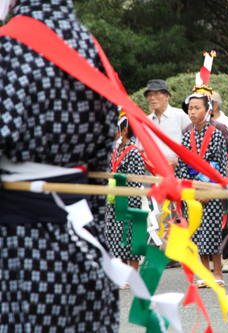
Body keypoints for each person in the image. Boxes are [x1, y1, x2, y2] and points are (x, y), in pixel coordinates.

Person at [0, 0, 119, 331]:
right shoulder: (90, 45)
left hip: (19, 246)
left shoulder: (10, 45)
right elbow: (98, 159)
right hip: (84, 240)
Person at [175, 84, 227, 288]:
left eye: (197, 108)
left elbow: (220, 166)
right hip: (193, 192)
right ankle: (205, 273)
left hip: (210, 191)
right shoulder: (187, 135)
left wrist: (210, 190)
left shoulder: (216, 134)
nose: (192, 112)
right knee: (198, 233)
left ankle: (218, 272)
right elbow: (182, 166)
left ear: (208, 110)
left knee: (212, 231)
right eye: (190, 108)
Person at [105, 113, 145, 286]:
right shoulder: (113, 151)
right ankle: (122, 276)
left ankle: (133, 276)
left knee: (129, 239)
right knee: (115, 239)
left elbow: (136, 181)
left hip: (130, 201)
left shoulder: (134, 153)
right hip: (113, 200)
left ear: (124, 130)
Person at [139, 79, 190, 170]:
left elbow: (192, 147)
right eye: (150, 95)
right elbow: (141, 150)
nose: (152, 98)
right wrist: (148, 163)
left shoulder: (181, 116)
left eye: (157, 94)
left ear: (167, 96)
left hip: (178, 171)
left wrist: (176, 162)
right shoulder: (146, 121)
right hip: (153, 173)